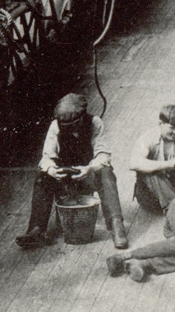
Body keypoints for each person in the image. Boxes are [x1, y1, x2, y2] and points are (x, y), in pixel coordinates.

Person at [16, 93, 129, 250]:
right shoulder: (55, 126)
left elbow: (103, 155)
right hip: (64, 177)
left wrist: (89, 168)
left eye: (74, 125)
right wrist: (52, 170)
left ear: (82, 118)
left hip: (87, 175)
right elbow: (47, 157)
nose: (70, 129)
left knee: (106, 172)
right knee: (42, 177)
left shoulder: (95, 123)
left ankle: (116, 225)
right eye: (66, 126)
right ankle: (36, 229)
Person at [129, 104, 175, 213]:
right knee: (152, 172)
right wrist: (169, 164)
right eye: (172, 128)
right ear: (161, 124)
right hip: (151, 197)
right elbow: (134, 163)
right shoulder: (148, 138)